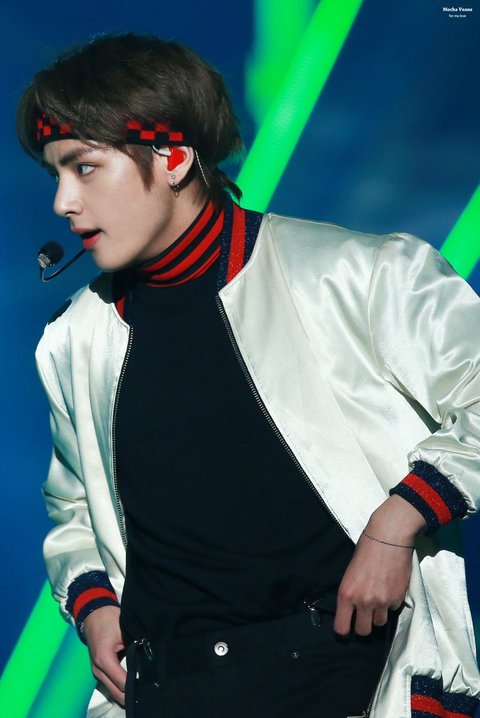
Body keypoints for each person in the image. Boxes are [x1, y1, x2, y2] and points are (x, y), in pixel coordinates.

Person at [17, 33, 480, 718]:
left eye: (84, 168)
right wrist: (93, 606)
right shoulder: (74, 338)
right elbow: (74, 504)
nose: (63, 201)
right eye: (56, 174)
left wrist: (399, 518)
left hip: (351, 680)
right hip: (171, 691)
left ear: (173, 158)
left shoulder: (361, 274)